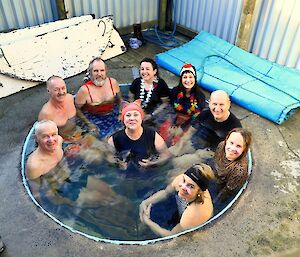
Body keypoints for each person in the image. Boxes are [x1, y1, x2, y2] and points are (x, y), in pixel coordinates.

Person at [139, 163, 215, 237]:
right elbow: (166, 192)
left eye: (191, 186)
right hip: (184, 206)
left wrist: (148, 222)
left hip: (194, 225)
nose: (183, 187)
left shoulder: (193, 213)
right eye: (184, 180)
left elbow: (171, 235)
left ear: (199, 192)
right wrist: (146, 202)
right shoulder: (181, 179)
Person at [108, 100, 171, 169]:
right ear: (123, 119)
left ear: (141, 118)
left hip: (149, 172)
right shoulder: (115, 138)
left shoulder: (152, 134)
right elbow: (109, 157)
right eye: (128, 115)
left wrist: (152, 163)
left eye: (136, 115)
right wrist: (118, 164)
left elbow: (166, 155)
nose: (132, 118)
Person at [75, 57, 122, 138]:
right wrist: (89, 124)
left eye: (102, 70)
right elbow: (76, 109)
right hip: (94, 118)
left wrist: (121, 113)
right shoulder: (84, 90)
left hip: (112, 113)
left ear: (106, 71)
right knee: (100, 139)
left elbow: (120, 100)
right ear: (90, 72)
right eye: (96, 71)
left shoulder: (113, 83)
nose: (99, 74)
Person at [213, 127, 252, 201]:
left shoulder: (239, 171)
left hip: (224, 185)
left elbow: (228, 190)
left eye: (238, 146)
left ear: (244, 149)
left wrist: (216, 200)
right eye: (231, 143)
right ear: (226, 140)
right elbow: (215, 160)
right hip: (216, 174)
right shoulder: (221, 146)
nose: (232, 148)